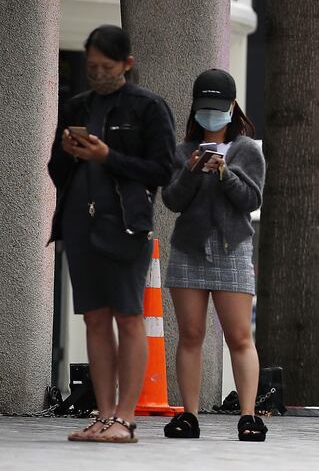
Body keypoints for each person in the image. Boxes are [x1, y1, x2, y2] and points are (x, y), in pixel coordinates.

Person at [48, 25, 176, 443]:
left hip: (125, 224)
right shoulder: (77, 106)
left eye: (106, 67)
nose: (97, 74)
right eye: (91, 66)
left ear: (127, 65)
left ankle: (125, 417)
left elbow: (162, 170)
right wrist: (69, 154)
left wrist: (110, 156)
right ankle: (103, 415)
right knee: (95, 319)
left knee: (128, 315)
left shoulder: (148, 108)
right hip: (79, 222)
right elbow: (55, 170)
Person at [161, 69, 267, 442]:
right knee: (190, 334)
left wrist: (225, 173)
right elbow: (172, 200)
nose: (212, 115)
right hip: (188, 250)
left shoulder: (247, 149)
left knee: (239, 336)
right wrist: (191, 172)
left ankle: (249, 415)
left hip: (232, 249)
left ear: (232, 107)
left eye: (218, 108)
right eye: (205, 108)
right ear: (195, 108)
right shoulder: (182, 151)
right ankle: (188, 414)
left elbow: (251, 200)